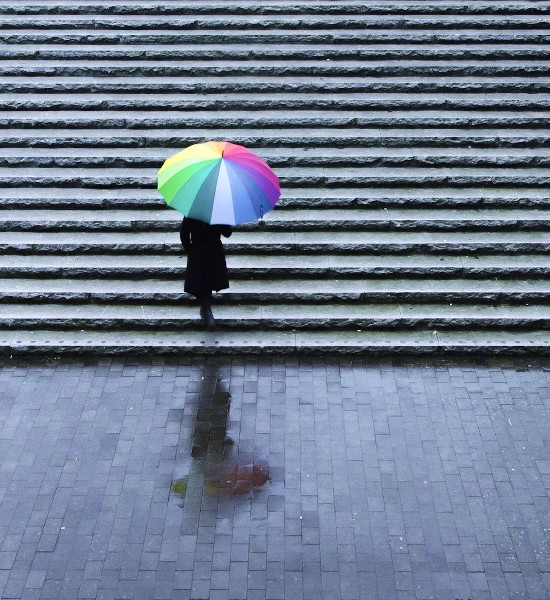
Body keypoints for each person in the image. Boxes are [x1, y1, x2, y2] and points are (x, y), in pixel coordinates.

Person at [180, 217, 232, 330]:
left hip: (198, 249)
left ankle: (206, 309)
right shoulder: (220, 211)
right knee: (208, 281)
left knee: (199, 282)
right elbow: (227, 233)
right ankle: (206, 310)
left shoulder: (193, 212)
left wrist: (191, 250)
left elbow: (183, 234)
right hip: (215, 251)